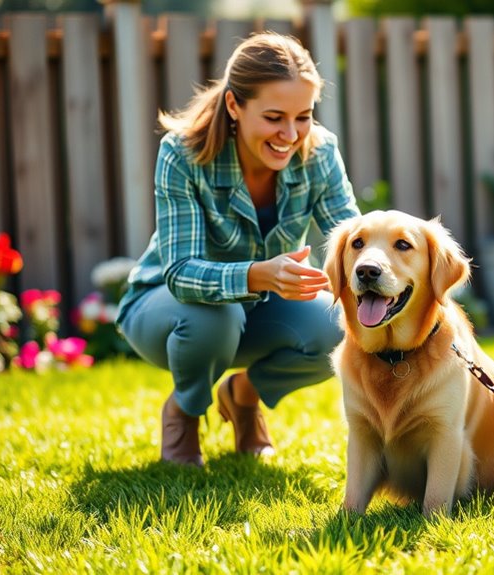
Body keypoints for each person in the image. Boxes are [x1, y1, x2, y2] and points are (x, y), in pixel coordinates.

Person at [117, 32, 360, 466]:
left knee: (339, 327)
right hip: (166, 309)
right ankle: (184, 411)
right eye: (274, 117)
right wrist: (257, 275)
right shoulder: (183, 154)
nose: (290, 134)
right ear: (234, 106)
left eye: (303, 116)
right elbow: (179, 273)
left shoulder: (320, 153)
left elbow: (352, 240)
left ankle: (244, 397)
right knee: (217, 314)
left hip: (260, 312)